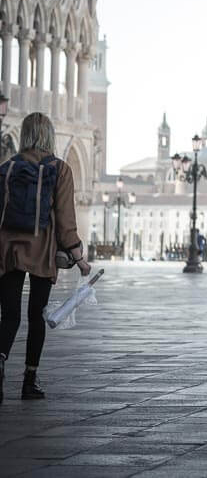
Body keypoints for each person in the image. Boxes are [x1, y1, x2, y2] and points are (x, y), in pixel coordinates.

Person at [0, 112, 92, 402]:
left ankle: (0, 358)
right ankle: (29, 381)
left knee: (10, 315)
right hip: (42, 249)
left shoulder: (6, 167)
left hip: (7, 248)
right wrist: (79, 257)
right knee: (36, 315)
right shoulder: (60, 169)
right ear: (49, 135)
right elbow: (65, 222)